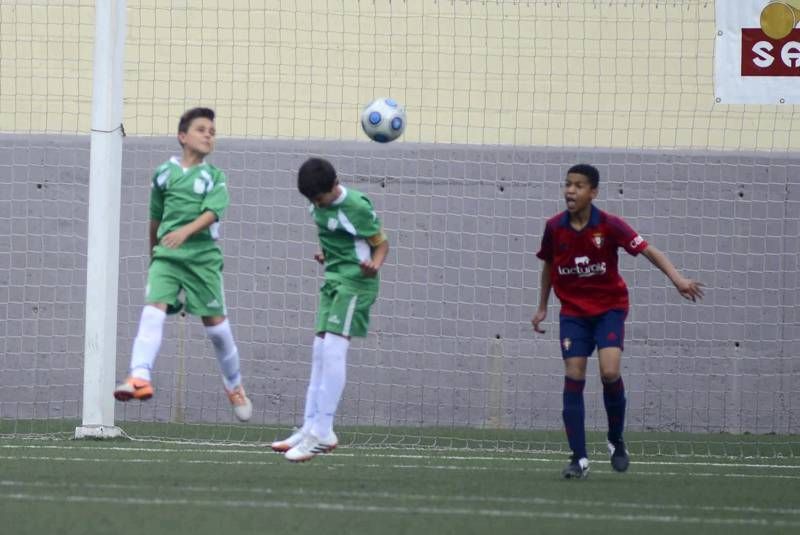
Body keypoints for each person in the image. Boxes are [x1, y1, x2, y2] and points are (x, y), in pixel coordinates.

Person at [532, 163, 703, 479]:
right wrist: (542, 306)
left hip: (609, 310)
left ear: (593, 192)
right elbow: (548, 266)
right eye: (567, 184)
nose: (570, 190)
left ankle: (615, 439)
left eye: (578, 185)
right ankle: (579, 458)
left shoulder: (609, 226)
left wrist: (677, 278)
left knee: (610, 372)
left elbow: (648, 249)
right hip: (573, 314)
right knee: (574, 372)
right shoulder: (554, 227)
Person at [113, 107, 252, 422]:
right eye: (202, 129)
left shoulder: (214, 177)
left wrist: (185, 233)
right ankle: (139, 376)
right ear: (182, 136)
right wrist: (154, 256)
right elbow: (155, 218)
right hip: (167, 257)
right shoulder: (163, 173)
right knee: (153, 310)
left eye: (212, 132)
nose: (208, 135)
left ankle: (234, 385)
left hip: (202, 258)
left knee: (216, 330)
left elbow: (213, 212)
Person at [271, 157, 389, 462]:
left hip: (356, 283)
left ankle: (322, 431)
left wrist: (373, 265)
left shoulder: (358, 207)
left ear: (335, 185)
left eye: (320, 199)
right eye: (312, 201)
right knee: (319, 351)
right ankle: (311, 425)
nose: (317, 205)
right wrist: (326, 254)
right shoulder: (316, 205)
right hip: (333, 281)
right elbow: (335, 237)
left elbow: (381, 243)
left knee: (335, 351)